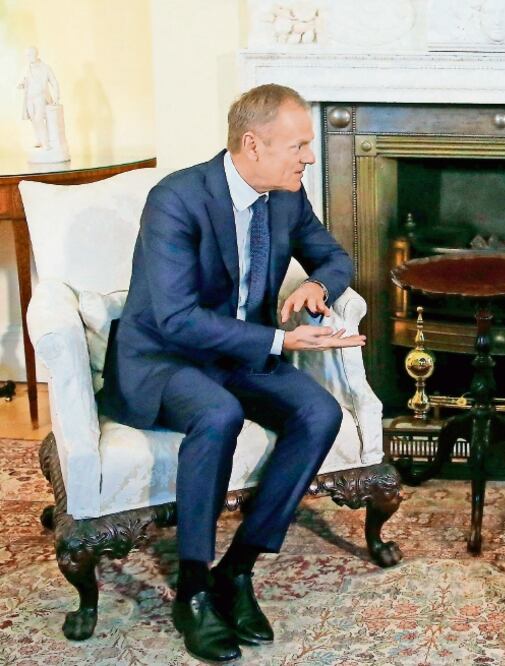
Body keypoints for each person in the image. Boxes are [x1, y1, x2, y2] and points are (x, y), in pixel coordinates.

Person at [100, 84, 363, 663]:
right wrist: (281, 340)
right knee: (218, 413)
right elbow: (174, 318)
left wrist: (317, 284)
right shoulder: (177, 199)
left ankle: (236, 570)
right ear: (253, 144)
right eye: (298, 146)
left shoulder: (286, 197)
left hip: (239, 354)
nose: (309, 157)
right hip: (165, 358)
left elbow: (335, 257)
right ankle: (193, 589)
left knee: (319, 413)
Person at [17, 46, 59, 149]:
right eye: (26, 55)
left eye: (29, 54)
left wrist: (56, 96)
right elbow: (21, 81)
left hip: (41, 97)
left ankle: (46, 143)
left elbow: (54, 81)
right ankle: (39, 140)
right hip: (29, 98)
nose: (27, 57)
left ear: (36, 54)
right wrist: (21, 84)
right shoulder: (26, 68)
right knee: (33, 119)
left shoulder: (45, 67)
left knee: (39, 119)